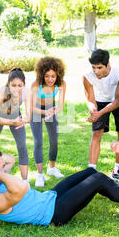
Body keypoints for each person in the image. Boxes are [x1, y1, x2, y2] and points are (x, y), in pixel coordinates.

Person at [0, 151, 119, 227]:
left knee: (89, 172)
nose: (5, 167)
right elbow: (21, 187)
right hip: (54, 214)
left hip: (50, 198)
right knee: (98, 179)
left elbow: (10, 159)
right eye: (1, 167)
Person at [83, 49, 119, 185]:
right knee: (97, 133)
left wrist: (101, 113)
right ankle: (91, 171)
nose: (96, 71)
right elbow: (90, 99)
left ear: (107, 64)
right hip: (99, 101)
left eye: (99, 67)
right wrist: (93, 110)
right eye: (93, 67)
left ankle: (117, 171)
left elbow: (118, 100)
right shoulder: (87, 76)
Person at [30, 56, 67, 187]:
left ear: (58, 74)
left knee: (54, 140)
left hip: (50, 110)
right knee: (38, 141)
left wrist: (52, 111)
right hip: (36, 111)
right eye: (47, 76)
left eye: (53, 76)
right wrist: (45, 113)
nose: (50, 79)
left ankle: (51, 168)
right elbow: (32, 107)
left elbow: (60, 106)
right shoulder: (35, 84)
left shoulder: (62, 84)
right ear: (42, 74)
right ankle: (40, 175)